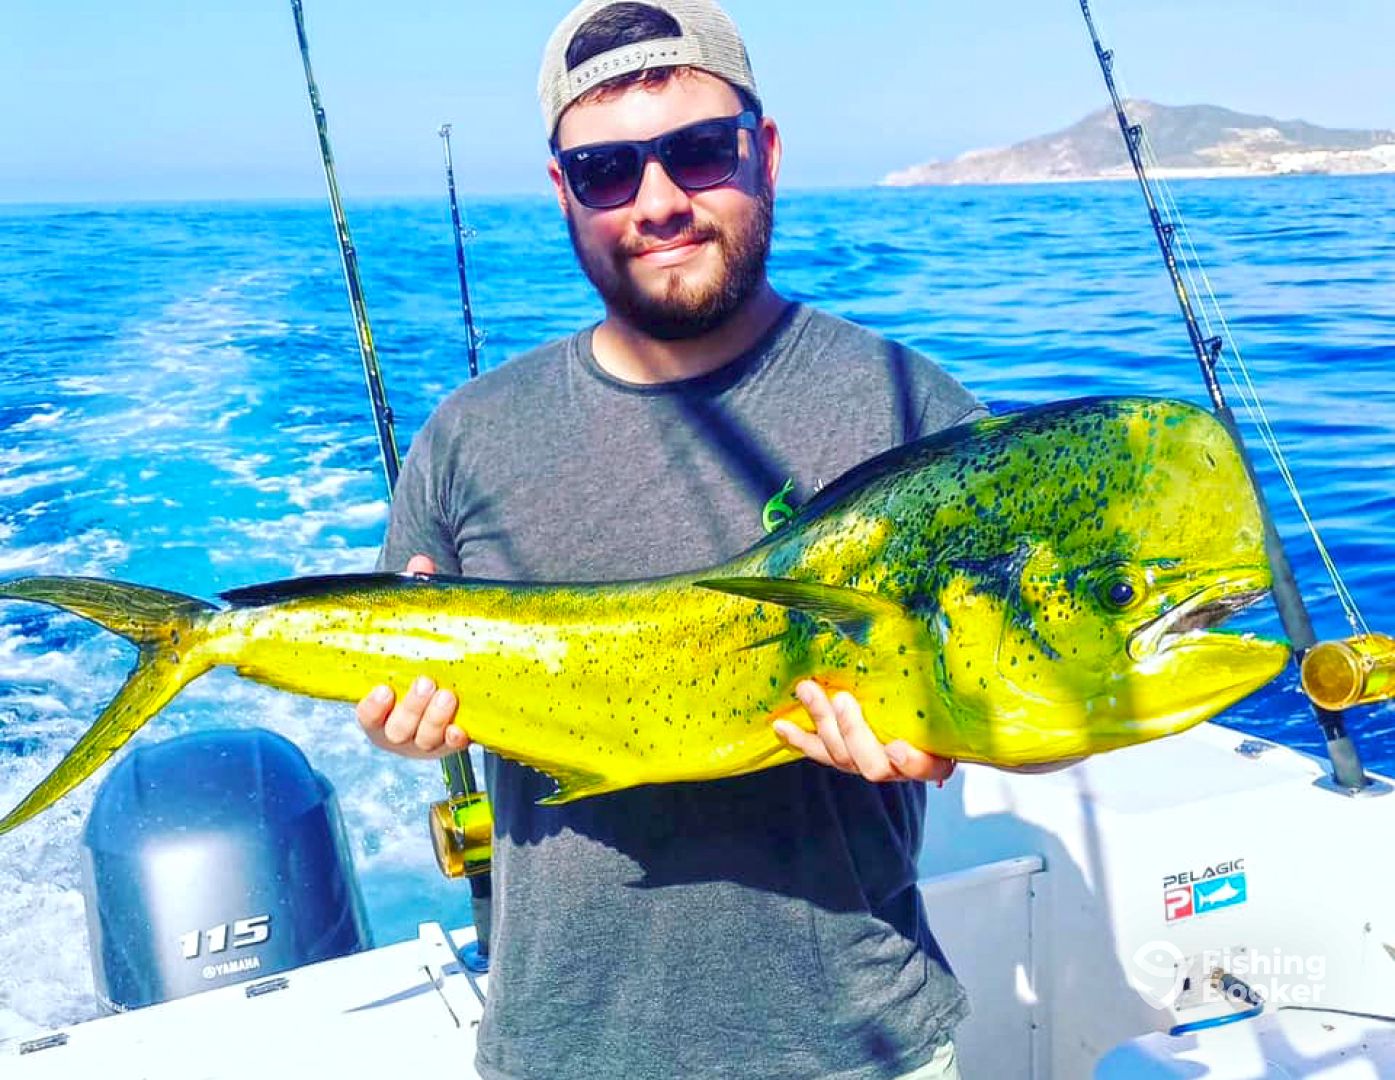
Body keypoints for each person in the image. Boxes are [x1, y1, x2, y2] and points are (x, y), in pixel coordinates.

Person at [356, 2, 986, 1076]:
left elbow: (1035, 682)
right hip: (560, 1046)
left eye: (699, 152)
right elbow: (399, 682)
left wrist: (961, 732)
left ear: (765, 152)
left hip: (860, 1046)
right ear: (562, 191)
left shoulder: (908, 406)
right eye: (605, 171)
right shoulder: (467, 434)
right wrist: (401, 723)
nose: (658, 203)